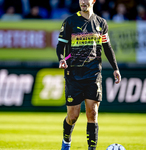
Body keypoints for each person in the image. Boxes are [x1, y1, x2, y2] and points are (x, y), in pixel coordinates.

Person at [56, 0, 121, 150]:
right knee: (73, 116)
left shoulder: (101, 23)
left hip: (94, 74)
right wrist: (61, 59)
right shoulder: (70, 22)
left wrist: (115, 68)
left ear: (93, 1)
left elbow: (107, 47)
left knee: (92, 113)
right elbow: (60, 45)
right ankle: (66, 140)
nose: (83, 2)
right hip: (74, 75)